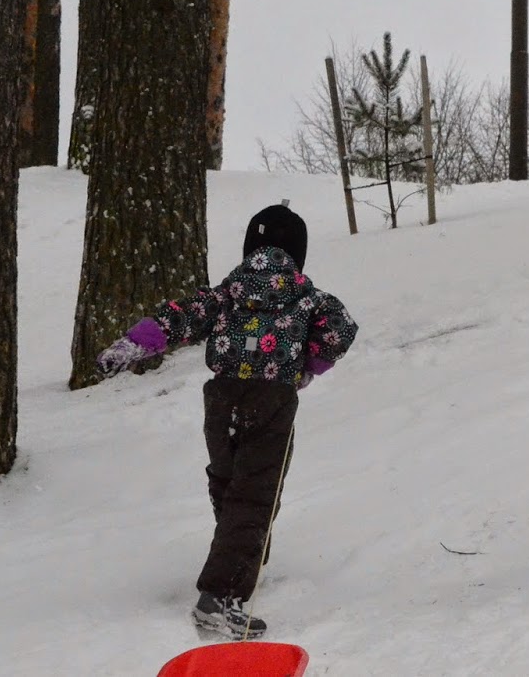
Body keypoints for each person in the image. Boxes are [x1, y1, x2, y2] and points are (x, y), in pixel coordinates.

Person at [96, 203, 358, 638]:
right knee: (255, 495)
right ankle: (220, 596)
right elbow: (340, 330)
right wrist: (310, 365)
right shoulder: (310, 299)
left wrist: (132, 344)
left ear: (249, 249)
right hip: (272, 399)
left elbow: (178, 315)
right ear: (298, 253)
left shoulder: (223, 295)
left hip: (221, 399)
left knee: (228, 482)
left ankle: (242, 557)